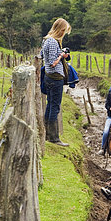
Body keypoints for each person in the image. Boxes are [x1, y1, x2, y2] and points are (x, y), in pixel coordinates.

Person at [41, 17, 72, 146]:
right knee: (55, 106)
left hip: (49, 77)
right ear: (60, 30)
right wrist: (61, 55)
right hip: (55, 77)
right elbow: (53, 63)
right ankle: (54, 138)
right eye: (64, 31)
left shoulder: (46, 40)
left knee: (50, 105)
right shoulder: (53, 42)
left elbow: (43, 55)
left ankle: (47, 134)